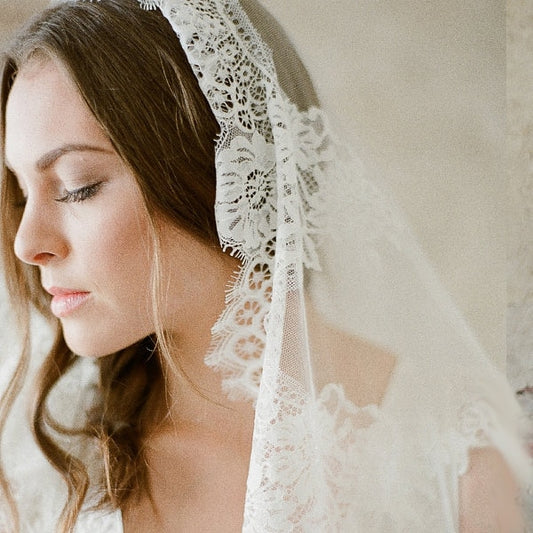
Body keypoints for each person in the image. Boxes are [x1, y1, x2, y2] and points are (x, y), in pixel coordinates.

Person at [0, 0, 530, 532]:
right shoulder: (45, 457)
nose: (27, 243)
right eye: (23, 193)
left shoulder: (459, 460)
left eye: (77, 186)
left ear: (216, 174)